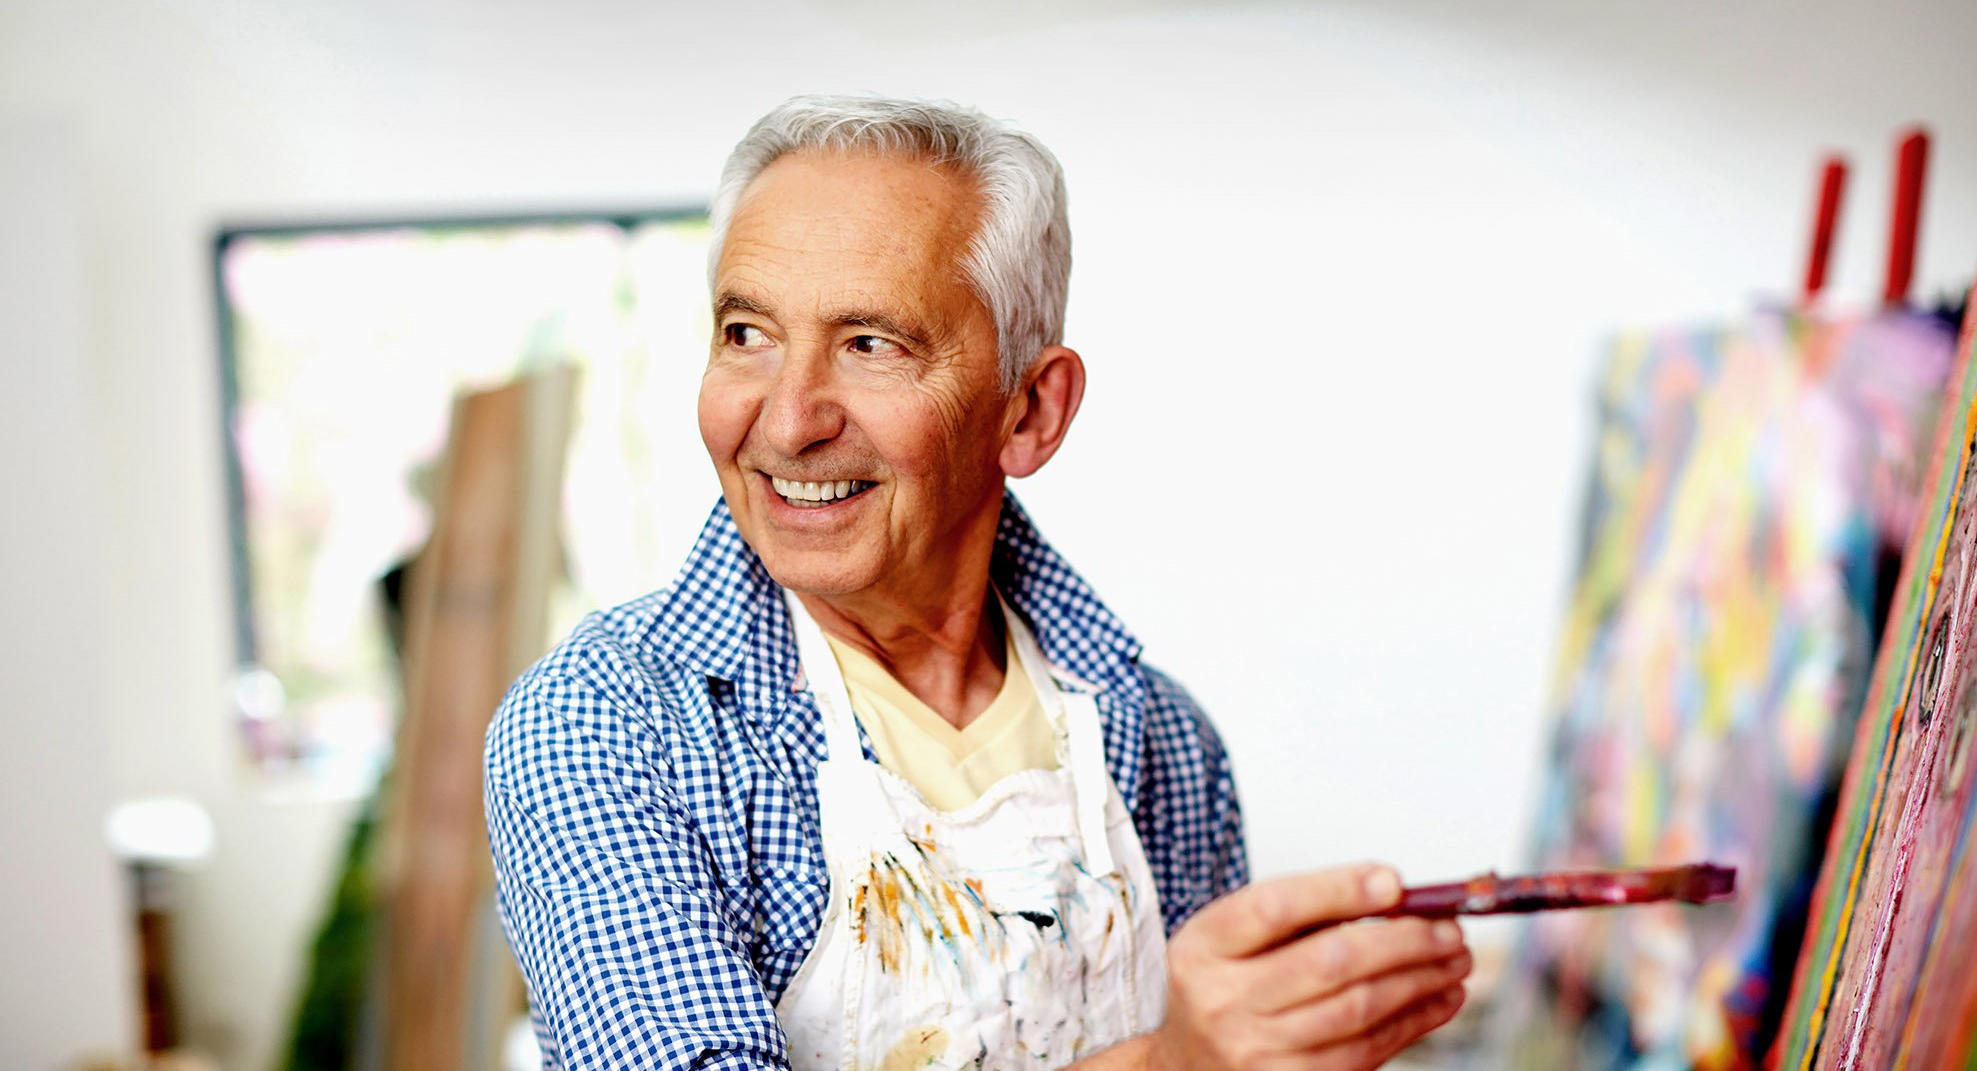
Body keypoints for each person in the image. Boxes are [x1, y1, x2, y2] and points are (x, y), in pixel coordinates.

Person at [484, 95, 1472, 1069]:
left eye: (870, 344)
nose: (787, 423)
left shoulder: (1162, 744)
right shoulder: (607, 725)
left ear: (1029, 411)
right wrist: (1178, 1062)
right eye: (747, 333)